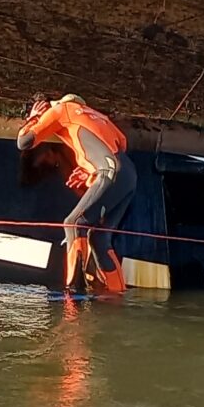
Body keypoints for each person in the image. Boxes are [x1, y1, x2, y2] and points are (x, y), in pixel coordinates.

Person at [17, 94, 134, 294]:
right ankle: (117, 297)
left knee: (73, 224)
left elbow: (24, 142)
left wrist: (34, 118)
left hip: (111, 171)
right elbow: (121, 144)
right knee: (100, 238)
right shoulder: (98, 115)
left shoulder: (59, 110)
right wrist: (92, 168)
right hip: (129, 175)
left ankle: (73, 296)